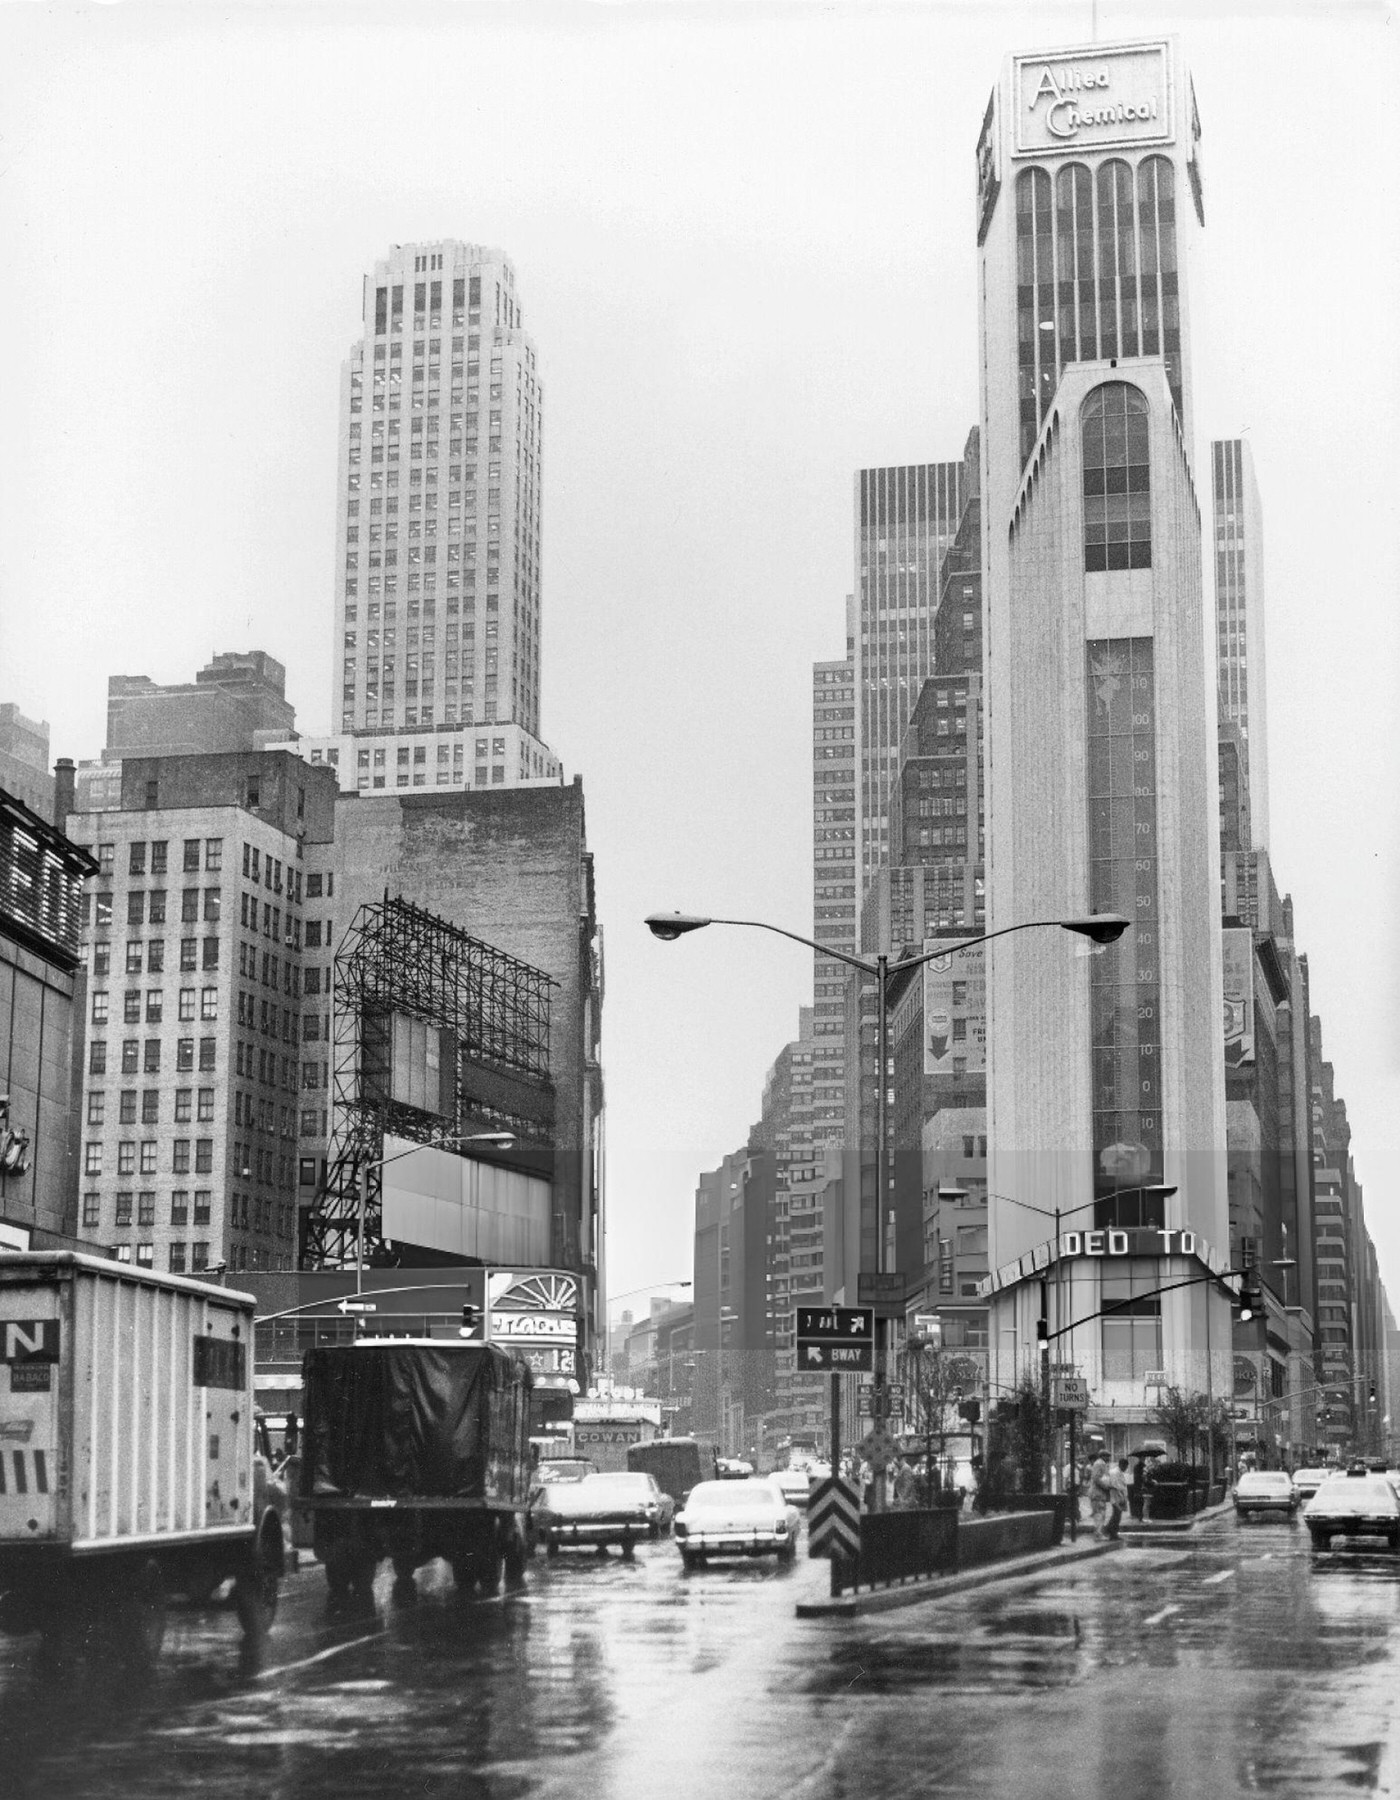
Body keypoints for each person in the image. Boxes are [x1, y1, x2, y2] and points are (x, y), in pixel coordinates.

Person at [1105, 1457, 1130, 1539]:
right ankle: (1112, 1533)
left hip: (1119, 1496)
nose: (1126, 1469)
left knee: (1116, 1514)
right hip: (1116, 1496)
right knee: (1117, 1515)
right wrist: (1122, 1495)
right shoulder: (1115, 1473)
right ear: (1122, 1465)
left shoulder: (1118, 1472)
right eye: (1125, 1467)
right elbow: (1116, 1486)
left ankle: (1108, 1529)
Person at [1088, 1450, 1110, 1537]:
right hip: (1097, 1493)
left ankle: (1099, 1532)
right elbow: (1096, 1478)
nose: (1108, 1458)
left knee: (1101, 1514)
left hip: (1100, 1494)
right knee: (1099, 1514)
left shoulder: (1102, 1464)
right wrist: (1106, 1486)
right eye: (1107, 1456)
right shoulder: (1099, 1464)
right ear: (1103, 1456)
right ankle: (1098, 1533)